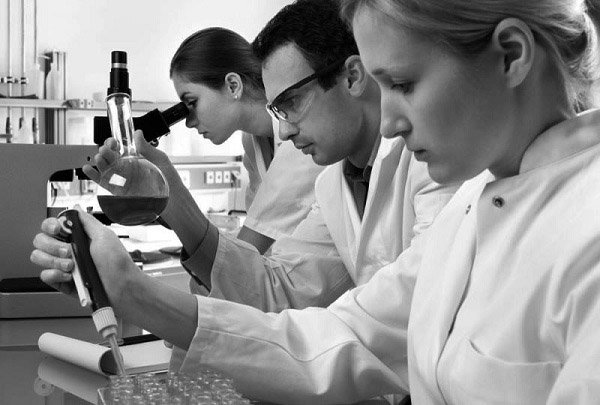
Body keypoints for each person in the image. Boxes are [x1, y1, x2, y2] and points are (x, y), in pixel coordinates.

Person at [53, 0, 600, 404]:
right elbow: (344, 334)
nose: (389, 122)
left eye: (403, 83)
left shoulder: (578, 226)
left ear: (511, 55)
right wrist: (135, 293)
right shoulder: (471, 205)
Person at [83, 0, 456, 314]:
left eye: (291, 102)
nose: (286, 132)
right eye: (278, 110)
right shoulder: (332, 184)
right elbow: (278, 288)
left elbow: (397, 314)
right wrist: (171, 202)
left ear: (352, 77)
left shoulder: (428, 162)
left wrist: (143, 295)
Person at [88, 27, 325, 257]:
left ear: (233, 85)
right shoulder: (253, 142)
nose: (189, 122)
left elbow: (243, 255)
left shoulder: (301, 141)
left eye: (192, 103)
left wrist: (169, 190)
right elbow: (250, 256)